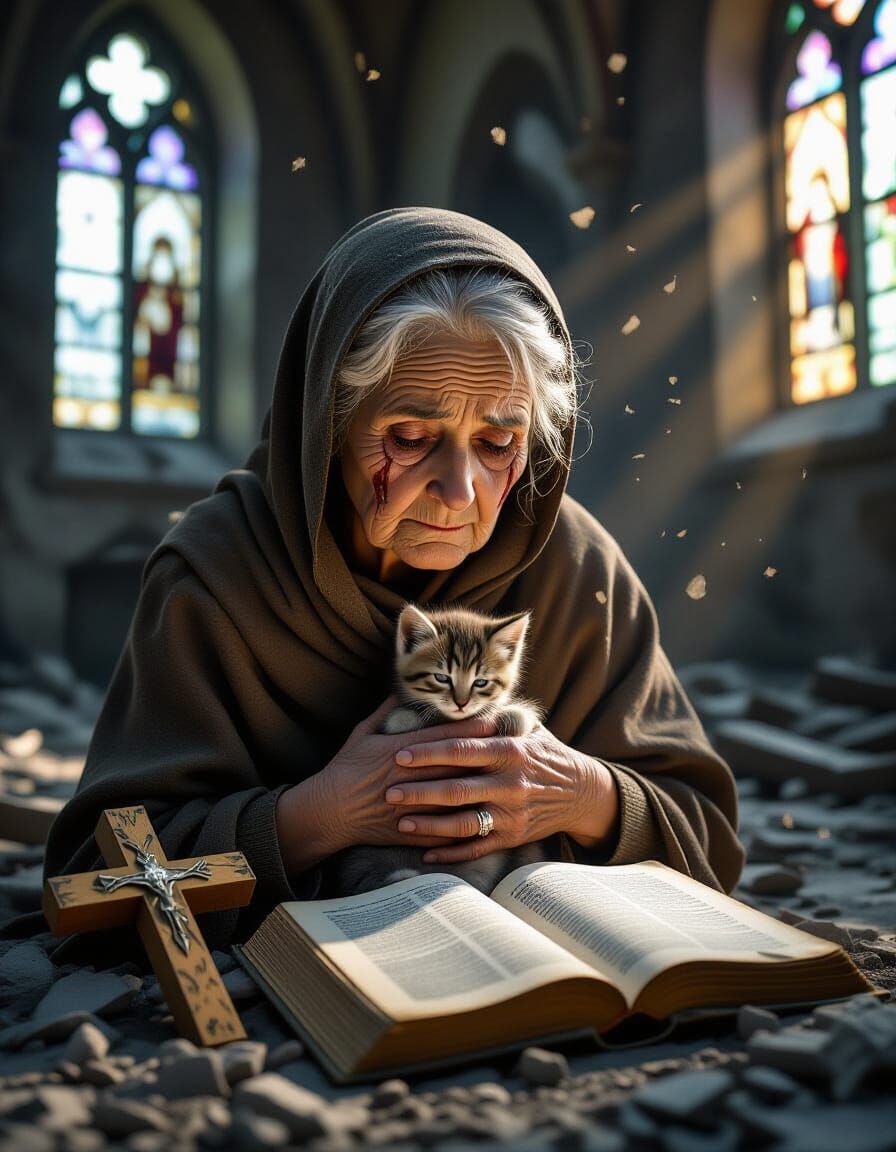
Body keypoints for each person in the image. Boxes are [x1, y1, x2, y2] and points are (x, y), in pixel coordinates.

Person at [42, 207, 745, 958]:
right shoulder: (217, 575)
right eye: (410, 438)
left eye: (498, 442)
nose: (461, 489)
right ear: (327, 426)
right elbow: (96, 877)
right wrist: (322, 815)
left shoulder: (575, 569)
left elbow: (707, 833)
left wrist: (578, 794)